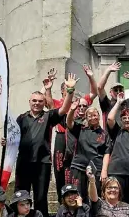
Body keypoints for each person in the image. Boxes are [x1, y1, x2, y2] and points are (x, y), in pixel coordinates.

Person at [6, 73, 77, 217]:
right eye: (34, 101)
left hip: (42, 163)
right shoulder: (21, 118)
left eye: (40, 101)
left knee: (40, 197)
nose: (37, 103)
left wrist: (70, 91)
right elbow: (13, 137)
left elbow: (64, 109)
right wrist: (5, 140)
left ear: (44, 102)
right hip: (24, 162)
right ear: (29, 102)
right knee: (20, 195)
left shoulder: (48, 116)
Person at [42, 66, 98, 203]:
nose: (69, 90)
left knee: (77, 169)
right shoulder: (57, 103)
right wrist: (48, 87)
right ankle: (63, 201)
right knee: (60, 169)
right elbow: (48, 102)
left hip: (78, 137)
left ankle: (80, 200)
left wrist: (90, 76)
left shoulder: (78, 103)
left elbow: (94, 93)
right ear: (62, 90)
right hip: (62, 136)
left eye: (71, 88)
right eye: (66, 88)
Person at [67, 102, 109, 202]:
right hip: (78, 167)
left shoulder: (104, 134)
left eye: (94, 115)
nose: (92, 118)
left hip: (96, 169)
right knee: (77, 196)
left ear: (98, 116)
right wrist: (72, 110)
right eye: (89, 116)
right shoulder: (80, 129)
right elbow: (69, 123)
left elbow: (107, 153)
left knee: (95, 197)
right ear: (86, 118)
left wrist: (104, 171)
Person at [97, 62, 129, 127]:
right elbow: (100, 87)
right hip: (111, 136)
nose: (118, 92)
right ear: (110, 93)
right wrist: (108, 70)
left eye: (120, 90)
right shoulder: (107, 104)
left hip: (127, 135)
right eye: (115, 90)